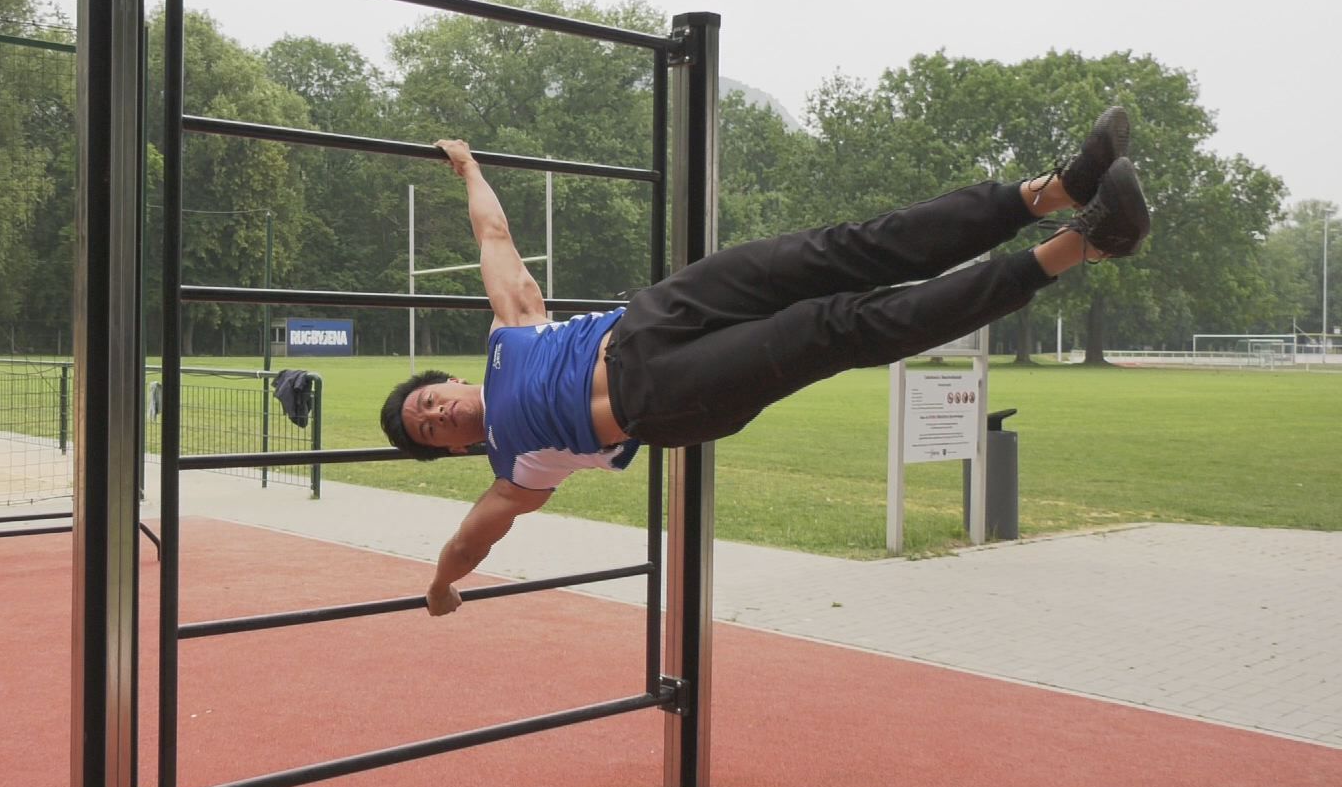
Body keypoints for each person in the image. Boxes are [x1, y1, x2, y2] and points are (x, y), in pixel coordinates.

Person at [379, 109, 1148, 616]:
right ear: (449, 449)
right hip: (663, 393)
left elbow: (495, 242)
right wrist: (444, 585)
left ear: (444, 382)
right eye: (431, 432)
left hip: (657, 311)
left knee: (842, 250)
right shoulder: (515, 470)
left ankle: (1057, 191)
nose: (439, 415)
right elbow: (471, 542)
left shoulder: (512, 333)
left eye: (427, 403)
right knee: (835, 328)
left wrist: (470, 167)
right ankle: (1085, 241)